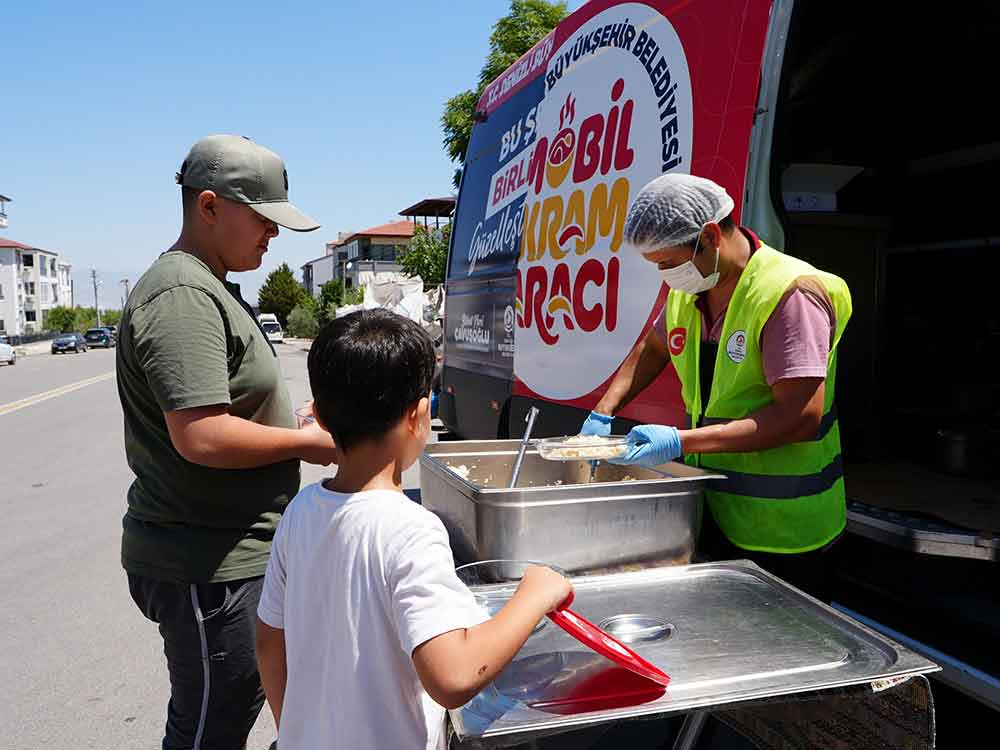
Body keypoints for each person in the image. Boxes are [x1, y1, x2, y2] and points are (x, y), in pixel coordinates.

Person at [256, 309, 572, 750]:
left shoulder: (301, 511)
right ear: (419, 415)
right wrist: (535, 594)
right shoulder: (411, 529)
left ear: (320, 417)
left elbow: (269, 643)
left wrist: (295, 731)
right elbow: (454, 675)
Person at [117, 134, 338, 749]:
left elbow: (228, 409)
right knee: (210, 728)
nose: (273, 234)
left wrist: (290, 428)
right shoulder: (183, 294)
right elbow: (202, 434)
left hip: (232, 554)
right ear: (209, 206)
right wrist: (304, 445)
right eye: (263, 218)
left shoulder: (211, 286)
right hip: (209, 563)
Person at [586, 173, 852, 601]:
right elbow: (654, 346)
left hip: (785, 530)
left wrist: (679, 441)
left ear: (711, 236)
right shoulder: (693, 288)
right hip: (717, 511)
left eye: (669, 263)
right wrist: (603, 411)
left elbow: (799, 418)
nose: (665, 275)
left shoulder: (789, 294)